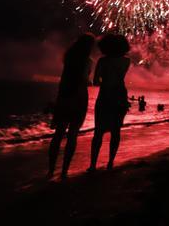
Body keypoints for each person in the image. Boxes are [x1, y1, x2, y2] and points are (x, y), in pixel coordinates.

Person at [48, 33, 95, 180]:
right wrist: (89, 82)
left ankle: (50, 170)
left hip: (64, 96)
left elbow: (66, 79)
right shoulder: (88, 61)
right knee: (73, 134)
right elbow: (83, 79)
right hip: (79, 97)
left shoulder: (68, 58)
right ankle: (64, 171)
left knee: (58, 134)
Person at [88, 34, 131, 172]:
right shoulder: (126, 61)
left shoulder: (103, 61)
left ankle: (93, 165)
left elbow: (95, 81)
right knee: (116, 131)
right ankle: (110, 162)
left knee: (98, 132)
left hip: (106, 96)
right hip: (120, 95)